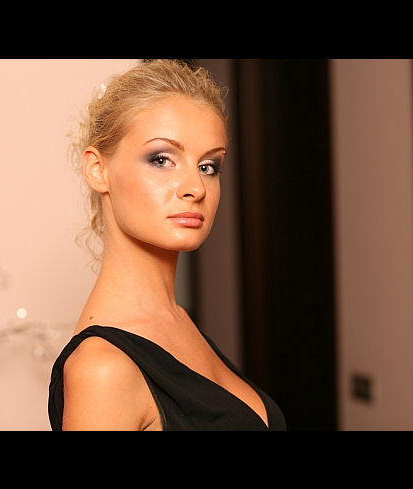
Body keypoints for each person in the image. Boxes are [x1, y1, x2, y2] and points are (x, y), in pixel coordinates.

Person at [48, 59, 286, 431]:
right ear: (98, 169)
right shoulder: (103, 369)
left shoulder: (177, 321)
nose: (195, 187)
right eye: (161, 159)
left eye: (208, 166)